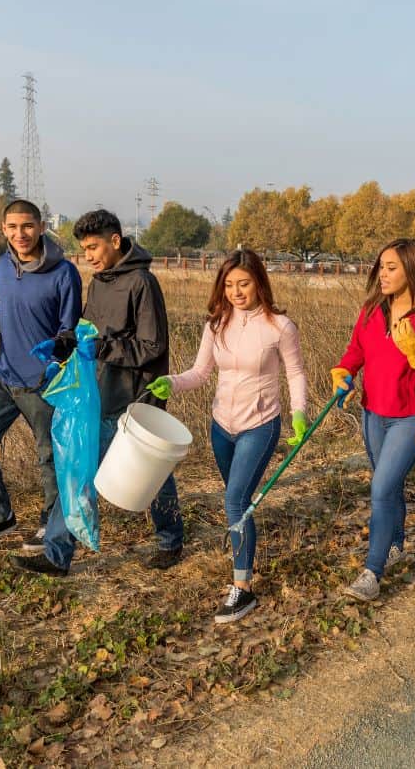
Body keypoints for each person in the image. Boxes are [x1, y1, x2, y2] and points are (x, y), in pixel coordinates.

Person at [10, 209, 184, 576]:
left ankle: (170, 540)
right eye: (84, 249)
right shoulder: (99, 282)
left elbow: (152, 346)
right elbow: (88, 330)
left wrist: (103, 350)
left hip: (136, 398)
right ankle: (57, 553)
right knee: (77, 468)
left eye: (93, 247)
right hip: (99, 393)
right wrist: (62, 345)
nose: (87, 256)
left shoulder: (142, 283)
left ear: (115, 241)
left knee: (153, 472)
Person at [146, 248, 307, 624]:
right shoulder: (216, 324)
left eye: (244, 283)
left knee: (235, 501)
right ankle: (242, 547)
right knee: (238, 500)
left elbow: (296, 374)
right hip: (221, 426)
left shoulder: (280, 327)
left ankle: (243, 588)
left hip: (260, 424)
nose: (237, 291)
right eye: (230, 284)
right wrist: (170, 382)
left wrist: (299, 415)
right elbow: (201, 373)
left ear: (259, 283)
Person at [332, 238, 415, 602]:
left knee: (381, 489)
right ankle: (396, 542)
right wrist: (343, 371)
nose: (381, 274)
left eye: (391, 268)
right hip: (372, 412)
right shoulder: (373, 309)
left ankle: (372, 572)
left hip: (413, 416)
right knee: (388, 485)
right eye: (381, 267)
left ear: (412, 270)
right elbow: (356, 350)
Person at [0, 199, 82, 550]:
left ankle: (52, 524)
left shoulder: (64, 273)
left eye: (28, 226)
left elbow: (70, 329)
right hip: (5, 376)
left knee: (49, 456)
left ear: (41, 227)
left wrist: (55, 357)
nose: (21, 234)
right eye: (13, 227)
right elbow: (2, 308)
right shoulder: (3, 267)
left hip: (43, 382)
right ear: (4, 230)